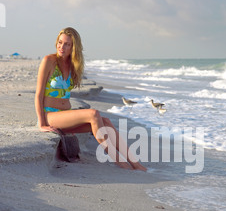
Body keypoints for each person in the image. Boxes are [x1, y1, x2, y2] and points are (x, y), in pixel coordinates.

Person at [35, 27, 146, 171]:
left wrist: (72, 121)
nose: (62, 47)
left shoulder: (72, 65)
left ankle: (135, 163)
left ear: (73, 47)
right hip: (49, 115)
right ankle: (121, 163)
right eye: (60, 42)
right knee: (93, 114)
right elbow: (38, 94)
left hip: (64, 117)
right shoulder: (49, 60)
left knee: (106, 122)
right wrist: (42, 123)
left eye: (67, 44)